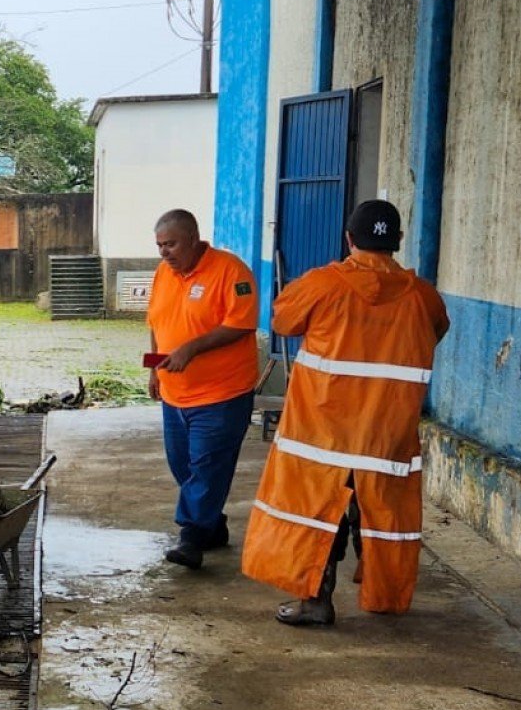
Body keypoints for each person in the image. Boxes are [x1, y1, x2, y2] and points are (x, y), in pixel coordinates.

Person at [242, 200, 450, 626]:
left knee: (320, 514)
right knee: (379, 515)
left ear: (349, 239)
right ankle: (384, 596)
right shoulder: (423, 297)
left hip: (323, 435)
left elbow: (283, 320)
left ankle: (315, 600)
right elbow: (437, 330)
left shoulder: (322, 285)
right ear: (397, 242)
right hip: (385, 435)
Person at [146, 208, 262, 570]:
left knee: (207, 466)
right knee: (182, 465)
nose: (165, 252)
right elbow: (156, 321)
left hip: (222, 394)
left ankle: (192, 536)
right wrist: (154, 370)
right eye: (160, 245)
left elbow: (242, 324)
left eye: (172, 244)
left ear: (194, 240)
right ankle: (211, 525)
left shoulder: (230, 270)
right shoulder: (163, 273)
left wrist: (192, 348)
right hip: (174, 393)